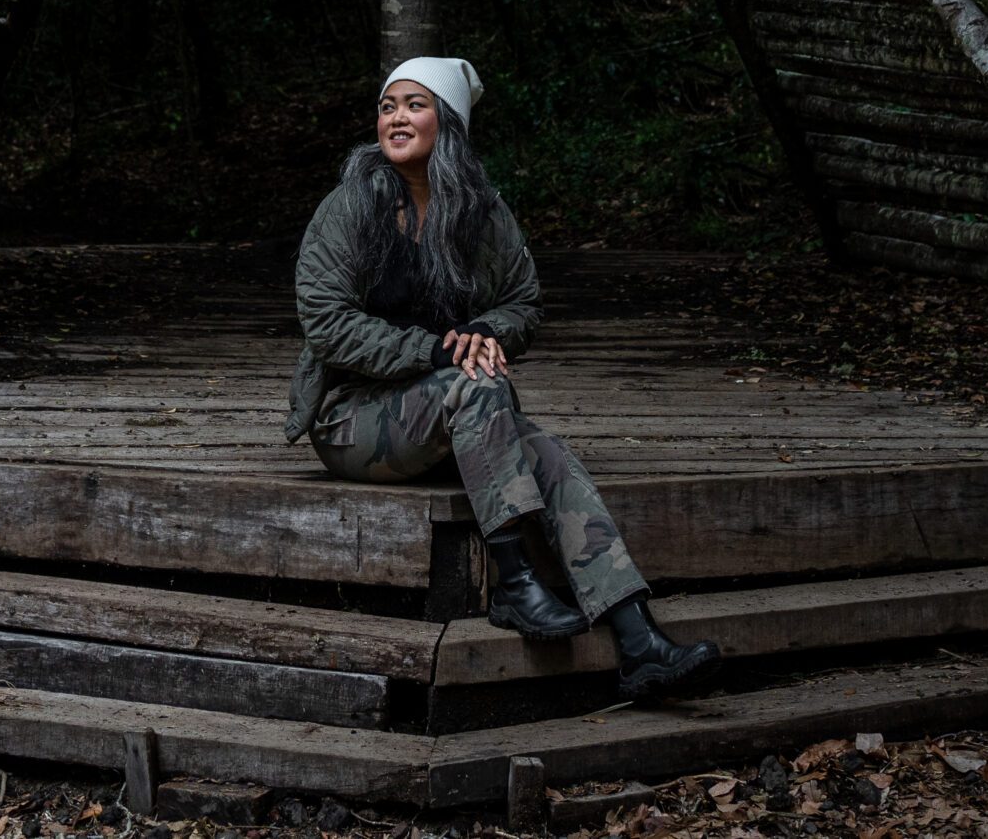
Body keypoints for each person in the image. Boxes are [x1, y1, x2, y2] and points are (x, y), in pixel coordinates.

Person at [284, 56, 722, 703]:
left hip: (449, 416)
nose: (396, 116)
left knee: (549, 454)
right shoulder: (350, 206)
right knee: (476, 381)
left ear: (449, 121)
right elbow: (326, 321)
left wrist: (486, 330)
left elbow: (523, 300)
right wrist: (437, 348)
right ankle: (516, 584)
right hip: (353, 419)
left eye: (414, 104)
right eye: (388, 105)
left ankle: (638, 640)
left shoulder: (480, 212)